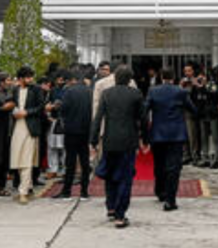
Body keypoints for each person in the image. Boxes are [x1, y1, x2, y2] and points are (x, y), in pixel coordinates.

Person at [92, 65, 146, 229]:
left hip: (109, 140)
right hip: (128, 141)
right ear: (130, 80)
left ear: (115, 78)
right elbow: (143, 119)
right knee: (125, 177)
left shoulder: (106, 94)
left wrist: (93, 141)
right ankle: (120, 215)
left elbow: (98, 118)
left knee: (110, 175)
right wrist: (145, 139)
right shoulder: (136, 94)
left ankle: (111, 207)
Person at [144, 68, 194, 211]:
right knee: (174, 167)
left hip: (158, 133)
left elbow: (145, 109)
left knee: (159, 164)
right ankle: (170, 200)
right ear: (174, 77)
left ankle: (160, 191)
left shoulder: (153, 91)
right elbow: (192, 109)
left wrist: (144, 130)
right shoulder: (181, 92)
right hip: (176, 134)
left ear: (161, 77)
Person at [53, 68, 93, 200]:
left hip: (71, 130)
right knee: (84, 161)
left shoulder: (69, 91)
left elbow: (63, 109)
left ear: (72, 79)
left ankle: (67, 191)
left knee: (70, 161)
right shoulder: (89, 91)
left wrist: (59, 107)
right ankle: (84, 192)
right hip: (86, 130)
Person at [10, 66, 45, 204]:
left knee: (27, 158)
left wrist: (27, 112)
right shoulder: (15, 90)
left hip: (31, 128)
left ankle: (23, 192)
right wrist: (14, 111)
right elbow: (11, 103)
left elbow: (41, 107)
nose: (30, 79)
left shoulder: (36, 90)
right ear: (20, 79)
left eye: (31, 77)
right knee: (17, 157)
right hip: (17, 127)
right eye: (27, 77)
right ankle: (28, 187)